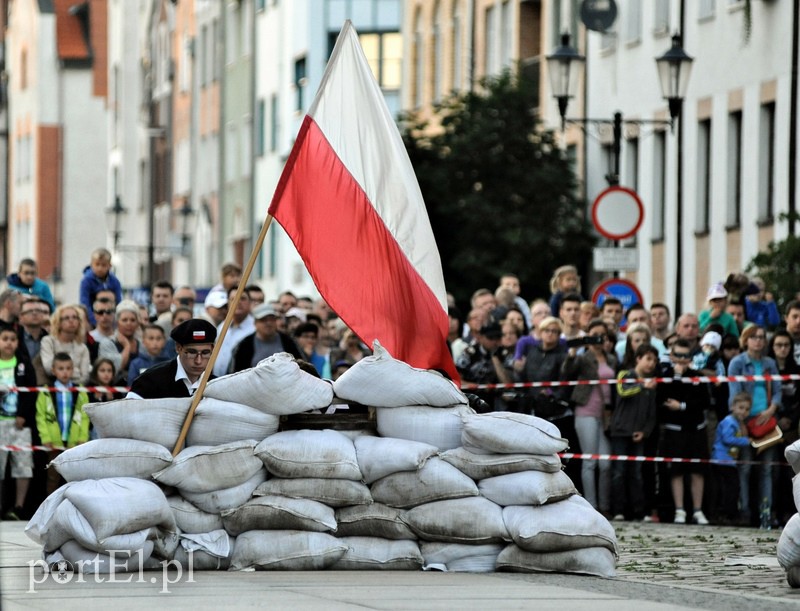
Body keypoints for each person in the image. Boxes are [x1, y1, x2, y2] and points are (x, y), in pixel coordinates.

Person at [727, 324, 782, 529]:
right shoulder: (737, 363)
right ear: (745, 340)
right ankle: (744, 512)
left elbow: (777, 390)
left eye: (761, 337)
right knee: (745, 469)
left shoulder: (770, 364)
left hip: (766, 423)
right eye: (754, 337)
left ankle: (765, 512)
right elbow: (734, 395)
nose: (758, 340)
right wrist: (743, 420)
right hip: (744, 422)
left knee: (768, 470)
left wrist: (770, 410)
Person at [561, 319, 617, 516]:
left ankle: (605, 504)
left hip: (606, 413)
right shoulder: (584, 358)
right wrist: (574, 349)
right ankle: (592, 507)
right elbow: (567, 372)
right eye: (594, 335)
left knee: (606, 463)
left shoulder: (611, 358)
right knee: (590, 460)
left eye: (601, 335)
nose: (598, 339)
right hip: (586, 410)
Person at [656, 339, 711, 526]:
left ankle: (698, 510)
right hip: (675, 431)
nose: (681, 360)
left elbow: (703, 402)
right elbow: (664, 400)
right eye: (677, 356)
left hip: (696, 429)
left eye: (685, 356)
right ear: (671, 356)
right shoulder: (666, 376)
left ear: (690, 358)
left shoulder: (697, 376)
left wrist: (682, 406)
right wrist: (677, 378)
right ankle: (679, 510)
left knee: (698, 471)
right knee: (676, 471)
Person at [609, 344, 659, 521]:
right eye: (648, 359)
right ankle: (618, 510)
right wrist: (641, 385)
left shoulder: (652, 384)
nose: (651, 364)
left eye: (654, 360)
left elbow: (652, 413)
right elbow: (623, 391)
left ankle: (639, 511)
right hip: (620, 432)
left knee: (636, 473)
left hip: (639, 434)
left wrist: (645, 432)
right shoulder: (625, 374)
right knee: (619, 472)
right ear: (638, 359)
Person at [36, 352, 90, 493]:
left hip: (74, 444)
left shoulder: (80, 392)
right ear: (53, 370)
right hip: (54, 443)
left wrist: (82, 438)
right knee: (52, 478)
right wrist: (46, 438)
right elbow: (41, 416)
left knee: (73, 479)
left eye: (68, 368)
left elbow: (85, 417)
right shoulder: (46, 391)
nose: (65, 372)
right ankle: (50, 510)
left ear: (73, 370)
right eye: (61, 368)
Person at [127, 319, 218, 399]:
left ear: (213, 349)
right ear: (178, 348)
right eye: (191, 353)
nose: (198, 361)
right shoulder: (150, 381)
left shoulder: (217, 386)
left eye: (205, 353)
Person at [0, 323, 37, 520]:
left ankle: (19, 506)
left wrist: (23, 415)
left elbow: (31, 392)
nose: (9, 343)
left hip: (19, 424)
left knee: (23, 465)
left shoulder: (23, 363)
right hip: (0, 423)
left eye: (12, 339)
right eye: (4, 339)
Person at [711, 392, 752, 525]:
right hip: (722, 460)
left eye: (747, 409)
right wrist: (746, 441)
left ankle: (727, 514)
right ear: (733, 406)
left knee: (732, 488)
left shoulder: (738, 423)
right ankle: (725, 514)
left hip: (729, 461)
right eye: (741, 408)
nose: (743, 412)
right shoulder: (729, 421)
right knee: (729, 489)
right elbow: (727, 439)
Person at [229, 304, 303, 373]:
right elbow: (236, 374)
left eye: (271, 319)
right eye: (263, 320)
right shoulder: (244, 345)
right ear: (255, 323)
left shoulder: (288, 342)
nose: (268, 323)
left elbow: (301, 366)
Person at [456, 320, 511, 412]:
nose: (494, 342)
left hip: (497, 399)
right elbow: (456, 380)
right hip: (472, 397)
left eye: (497, 338)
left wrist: (494, 357)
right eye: (490, 338)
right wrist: (478, 386)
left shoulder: (503, 353)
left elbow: (508, 383)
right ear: (480, 337)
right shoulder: (470, 353)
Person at [37, 305, 91, 385]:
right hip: (51, 387)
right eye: (66, 318)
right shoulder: (48, 341)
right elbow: (49, 368)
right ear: (58, 322)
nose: (71, 320)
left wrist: (61, 370)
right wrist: (76, 371)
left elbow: (84, 377)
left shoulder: (83, 348)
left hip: (75, 390)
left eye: (74, 317)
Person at [212, 287, 255, 377]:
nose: (238, 302)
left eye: (242, 298)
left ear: (250, 303)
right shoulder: (222, 327)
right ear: (228, 303)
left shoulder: (254, 329)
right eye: (233, 299)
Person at [79, 248, 123, 327]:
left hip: (111, 319)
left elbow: (118, 302)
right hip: (92, 319)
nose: (100, 268)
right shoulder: (86, 281)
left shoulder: (114, 281)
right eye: (97, 264)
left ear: (109, 266)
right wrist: (94, 321)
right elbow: (84, 303)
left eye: (103, 265)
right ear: (92, 264)